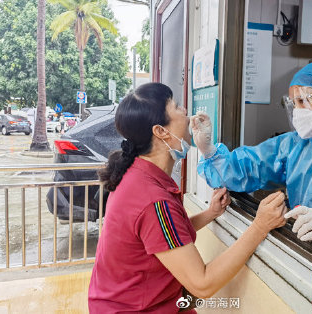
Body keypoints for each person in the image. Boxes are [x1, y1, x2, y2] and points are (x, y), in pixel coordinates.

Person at [88, 83, 287, 313]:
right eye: (177, 106)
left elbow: (163, 238)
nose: (185, 110)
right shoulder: (152, 200)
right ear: (160, 131)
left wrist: (209, 213)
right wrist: (260, 225)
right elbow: (202, 284)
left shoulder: (138, 174)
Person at [191, 59, 312, 242]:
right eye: (294, 103)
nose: (298, 110)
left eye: (304, 101)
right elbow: (250, 167)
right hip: (302, 241)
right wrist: (210, 152)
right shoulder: (293, 145)